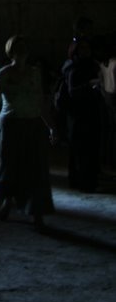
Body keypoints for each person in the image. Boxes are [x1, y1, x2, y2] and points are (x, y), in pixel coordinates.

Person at [0, 35, 55, 229]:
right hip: (11, 124)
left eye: (25, 47)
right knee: (10, 166)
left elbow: (40, 102)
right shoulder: (3, 73)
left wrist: (50, 126)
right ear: (11, 51)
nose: (22, 51)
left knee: (36, 170)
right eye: (18, 48)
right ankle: (8, 200)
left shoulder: (35, 73)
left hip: (32, 123)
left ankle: (37, 212)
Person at [65, 38, 102, 192]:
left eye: (88, 47)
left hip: (92, 112)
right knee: (80, 149)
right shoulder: (73, 68)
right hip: (78, 114)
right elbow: (72, 92)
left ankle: (89, 181)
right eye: (82, 48)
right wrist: (89, 85)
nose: (85, 51)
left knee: (91, 148)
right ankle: (81, 182)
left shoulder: (93, 65)